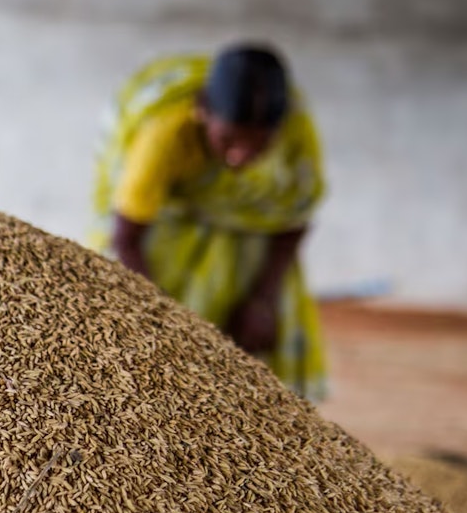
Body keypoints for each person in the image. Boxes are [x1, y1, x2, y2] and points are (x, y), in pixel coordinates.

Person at [89, 43, 327, 401]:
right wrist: (160, 316)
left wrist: (263, 299)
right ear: (202, 110)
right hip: (166, 234)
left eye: (258, 145)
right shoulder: (165, 135)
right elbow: (126, 236)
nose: (240, 157)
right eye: (227, 139)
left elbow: (294, 218)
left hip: (252, 233)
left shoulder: (297, 135)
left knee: (253, 347)